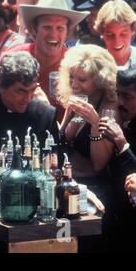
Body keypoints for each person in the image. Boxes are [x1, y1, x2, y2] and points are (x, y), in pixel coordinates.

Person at [2, 0, 89, 120]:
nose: (53, 35)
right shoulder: (14, 56)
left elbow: (81, 122)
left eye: (60, 28)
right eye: (47, 27)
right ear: (33, 30)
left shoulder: (77, 64)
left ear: (67, 33)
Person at [57, 44, 118, 232]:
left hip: (95, 191)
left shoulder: (109, 108)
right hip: (68, 185)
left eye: (81, 79)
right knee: (63, 241)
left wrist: (94, 122)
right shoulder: (76, 100)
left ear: (100, 80)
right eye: (71, 77)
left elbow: (100, 164)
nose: (74, 84)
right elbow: (62, 141)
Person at [0, 51, 59, 168]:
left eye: (32, 90)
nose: (28, 99)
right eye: (21, 91)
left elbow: (54, 169)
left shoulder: (45, 116)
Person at [98, 68, 136, 251]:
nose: (120, 102)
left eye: (127, 97)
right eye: (118, 95)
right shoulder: (122, 119)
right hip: (115, 220)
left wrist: (121, 143)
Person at [94, 0, 136, 69]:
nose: (117, 41)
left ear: (133, 31)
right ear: (102, 34)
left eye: (123, 34)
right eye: (110, 35)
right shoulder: (95, 67)